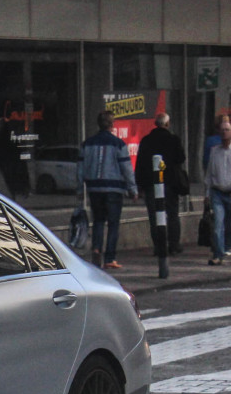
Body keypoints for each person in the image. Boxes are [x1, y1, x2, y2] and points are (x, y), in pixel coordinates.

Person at [79, 111, 138, 269]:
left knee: (98, 220)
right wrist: (133, 189)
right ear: (112, 125)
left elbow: (81, 168)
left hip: (94, 188)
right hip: (114, 189)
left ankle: (97, 249)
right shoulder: (118, 144)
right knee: (113, 224)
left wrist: (80, 188)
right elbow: (126, 168)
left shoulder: (87, 144)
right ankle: (110, 258)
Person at [135, 113, 187, 274]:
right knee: (172, 214)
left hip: (151, 184)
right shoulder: (173, 139)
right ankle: (173, 245)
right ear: (167, 124)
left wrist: (141, 185)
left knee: (154, 215)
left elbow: (140, 164)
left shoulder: (146, 141)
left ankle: (159, 246)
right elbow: (181, 158)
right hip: (170, 183)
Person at [205, 116, 231, 266]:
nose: (224, 133)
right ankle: (218, 254)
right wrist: (207, 194)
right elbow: (209, 173)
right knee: (217, 225)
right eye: (222, 130)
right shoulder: (215, 151)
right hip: (217, 193)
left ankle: (227, 246)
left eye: (227, 130)